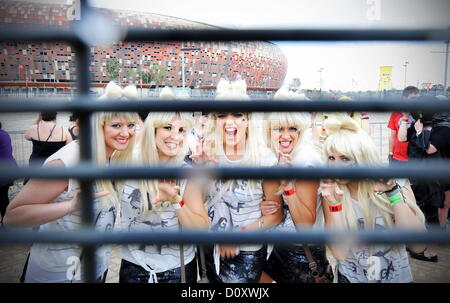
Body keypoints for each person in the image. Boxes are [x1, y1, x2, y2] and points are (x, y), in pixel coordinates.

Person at [3, 82, 140, 282]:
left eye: (130, 125)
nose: (125, 133)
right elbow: (12, 217)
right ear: (98, 125)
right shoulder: (70, 160)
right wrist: (70, 206)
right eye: (116, 125)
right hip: (56, 274)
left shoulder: (114, 159)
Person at [191, 78, 283, 283]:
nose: (229, 122)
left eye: (238, 114)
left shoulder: (264, 158)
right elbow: (200, 201)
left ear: (248, 119)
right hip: (210, 250)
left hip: (247, 253)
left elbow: (275, 216)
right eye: (222, 115)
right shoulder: (209, 153)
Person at [319, 115, 427, 283]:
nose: (335, 166)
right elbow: (340, 254)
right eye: (331, 158)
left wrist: (392, 194)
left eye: (345, 158)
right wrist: (335, 205)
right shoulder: (331, 192)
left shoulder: (395, 183)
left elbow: (418, 246)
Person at [119, 91, 209, 283]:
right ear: (153, 129)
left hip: (177, 271)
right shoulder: (125, 162)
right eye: (168, 127)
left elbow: (202, 226)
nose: (175, 137)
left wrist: (177, 202)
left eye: (181, 130)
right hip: (132, 267)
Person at [258, 89, 330, 283]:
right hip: (279, 248)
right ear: (268, 131)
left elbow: (306, 225)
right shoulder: (274, 158)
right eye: (279, 129)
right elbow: (274, 209)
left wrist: (288, 187)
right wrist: (263, 205)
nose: (286, 136)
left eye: (292, 129)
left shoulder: (306, 162)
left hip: (303, 253)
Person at [24, 111, 72, 184]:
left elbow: (27, 137)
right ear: (55, 116)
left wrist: (38, 120)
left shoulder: (34, 128)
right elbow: (69, 146)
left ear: (41, 116)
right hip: (55, 166)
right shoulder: (64, 130)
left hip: (36, 165)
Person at [387, 86, 419, 164]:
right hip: (398, 157)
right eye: (413, 98)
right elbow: (393, 136)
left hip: (415, 156)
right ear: (404, 98)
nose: (416, 101)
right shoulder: (396, 113)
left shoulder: (421, 113)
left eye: (418, 98)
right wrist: (390, 153)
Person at [0, 122, 17, 225]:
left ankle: (6, 222)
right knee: (3, 197)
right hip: (9, 169)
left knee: (2, 198)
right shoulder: (4, 133)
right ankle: (6, 221)